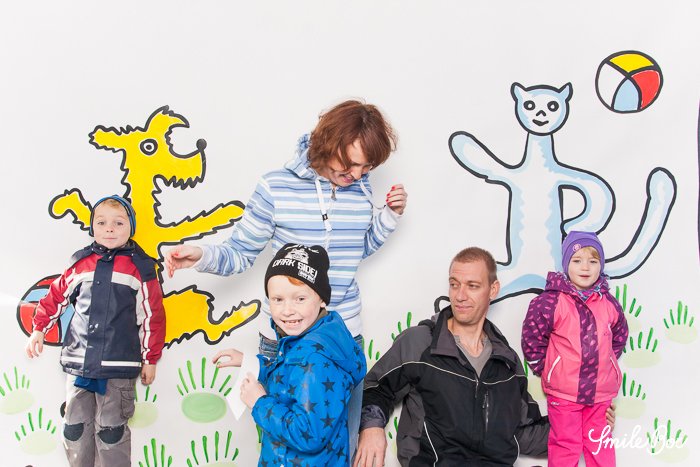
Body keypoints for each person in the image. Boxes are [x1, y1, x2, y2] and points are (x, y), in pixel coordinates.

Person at [165, 99, 407, 451]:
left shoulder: (361, 189)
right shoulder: (276, 187)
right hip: (286, 337)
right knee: (286, 445)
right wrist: (202, 255)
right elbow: (240, 252)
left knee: (340, 445)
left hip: (341, 337)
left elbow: (356, 250)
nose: (356, 175)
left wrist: (388, 217)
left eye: (366, 166)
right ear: (328, 143)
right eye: (350, 163)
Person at [356, 247, 550, 466]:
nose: (460, 296)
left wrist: (580, 423)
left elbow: (525, 432)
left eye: (472, 286)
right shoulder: (419, 343)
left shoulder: (507, 361)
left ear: (493, 289)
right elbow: (376, 388)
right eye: (454, 284)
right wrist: (371, 426)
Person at [25, 195, 166, 467]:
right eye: (101, 223)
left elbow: (153, 316)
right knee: (74, 429)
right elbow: (55, 297)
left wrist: (150, 358)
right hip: (79, 364)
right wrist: (39, 328)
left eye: (118, 223)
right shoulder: (80, 263)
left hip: (117, 368)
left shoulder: (140, 268)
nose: (109, 228)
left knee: (111, 432)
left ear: (131, 227)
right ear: (92, 227)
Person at [213, 243, 366, 466]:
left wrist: (259, 402)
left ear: (322, 298)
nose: (287, 310)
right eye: (278, 299)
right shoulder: (310, 339)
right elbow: (289, 378)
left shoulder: (313, 359)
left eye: (300, 299)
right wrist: (252, 364)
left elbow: (309, 434)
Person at [521, 231, 628, 466]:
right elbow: (532, 335)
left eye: (593, 261)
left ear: (601, 265)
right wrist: (547, 367)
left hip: (600, 392)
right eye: (577, 260)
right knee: (565, 444)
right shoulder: (551, 301)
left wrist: (606, 360)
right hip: (564, 392)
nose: (585, 267)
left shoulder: (609, 303)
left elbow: (619, 335)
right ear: (566, 263)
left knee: (599, 445)